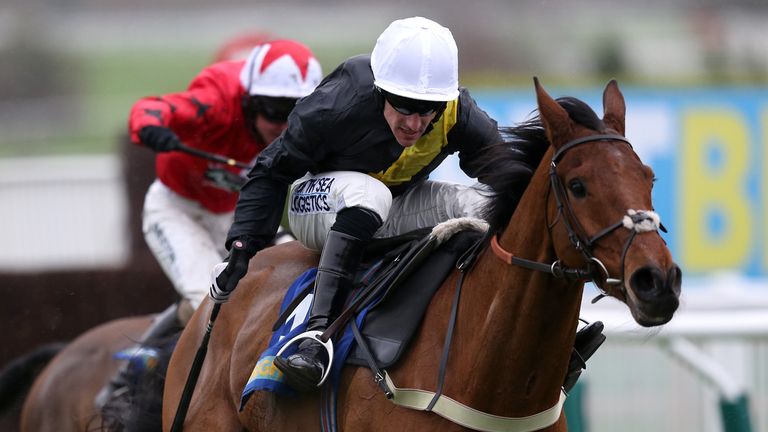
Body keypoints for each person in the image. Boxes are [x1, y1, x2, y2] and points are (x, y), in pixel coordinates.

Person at [211, 16, 524, 393]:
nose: (414, 123)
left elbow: (508, 176)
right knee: (368, 195)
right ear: (379, 92)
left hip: (390, 205)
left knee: (483, 204)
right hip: (315, 205)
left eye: (428, 109)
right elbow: (270, 171)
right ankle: (315, 337)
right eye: (404, 105)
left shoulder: (458, 111)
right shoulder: (337, 103)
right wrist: (243, 246)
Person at [95, 39, 323, 406]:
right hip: (178, 209)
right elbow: (149, 108)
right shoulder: (217, 98)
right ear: (248, 100)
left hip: (237, 214)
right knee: (210, 298)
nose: (283, 126)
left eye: (294, 112)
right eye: (273, 110)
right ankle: (135, 369)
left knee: (299, 281)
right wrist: (152, 128)